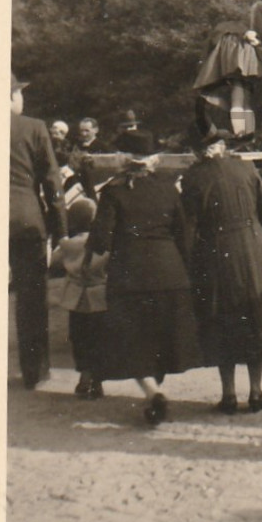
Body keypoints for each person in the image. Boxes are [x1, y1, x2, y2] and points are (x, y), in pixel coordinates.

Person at [83, 130, 202, 424]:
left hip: (130, 277)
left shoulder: (114, 191)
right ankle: (154, 393)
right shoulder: (168, 188)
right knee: (161, 339)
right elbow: (184, 237)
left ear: (124, 158)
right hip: (170, 274)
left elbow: (100, 239)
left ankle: (152, 394)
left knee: (133, 342)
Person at [180, 123, 262, 414]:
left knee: (222, 322)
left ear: (197, 151)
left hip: (216, 254)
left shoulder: (193, 178)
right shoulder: (246, 169)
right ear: (221, 146)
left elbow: (189, 228)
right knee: (255, 320)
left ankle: (228, 394)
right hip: (254, 250)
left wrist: (188, 265)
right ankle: (256, 392)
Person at [9, 73, 68, 389]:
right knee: (31, 297)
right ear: (11, 96)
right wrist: (61, 229)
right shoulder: (33, 127)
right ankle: (35, 371)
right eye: (19, 93)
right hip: (26, 221)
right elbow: (52, 182)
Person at [50, 196, 107, 400]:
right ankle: (98, 381)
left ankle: (84, 377)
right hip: (99, 299)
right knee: (98, 340)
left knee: (79, 340)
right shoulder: (104, 245)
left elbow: (54, 263)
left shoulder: (67, 245)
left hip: (75, 299)